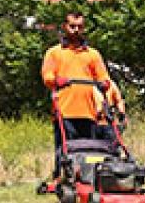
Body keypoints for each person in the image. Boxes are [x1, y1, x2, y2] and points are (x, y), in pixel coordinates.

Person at [41, 11, 124, 164]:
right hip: (64, 111)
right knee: (66, 151)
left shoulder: (92, 55)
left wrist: (104, 84)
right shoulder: (54, 53)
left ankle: (89, 181)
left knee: (90, 152)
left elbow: (104, 77)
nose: (76, 30)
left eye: (79, 27)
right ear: (65, 27)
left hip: (89, 112)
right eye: (72, 26)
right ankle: (63, 178)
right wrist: (56, 80)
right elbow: (47, 77)